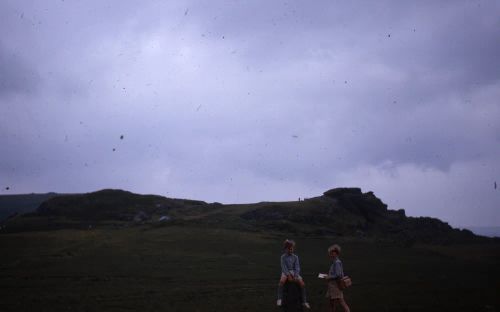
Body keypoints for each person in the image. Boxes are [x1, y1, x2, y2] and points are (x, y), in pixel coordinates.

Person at [277, 239, 311, 309]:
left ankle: (304, 301)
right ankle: (279, 299)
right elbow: (284, 267)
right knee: (281, 282)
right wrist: (288, 275)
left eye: (291, 249)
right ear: (285, 249)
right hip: (285, 272)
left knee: (302, 284)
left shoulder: (295, 257)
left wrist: (295, 275)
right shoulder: (283, 257)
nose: (290, 250)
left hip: (294, 271)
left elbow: (297, 267)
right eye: (289, 249)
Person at [325, 244, 350, 312]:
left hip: (335, 286)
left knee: (341, 302)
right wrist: (328, 276)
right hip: (332, 286)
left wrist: (329, 277)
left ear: (336, 253)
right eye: (330, 253)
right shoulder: (335, 262)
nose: (330, 254)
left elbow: (338, 275)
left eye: (332, 253)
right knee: (332, 304)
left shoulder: (337, 262)